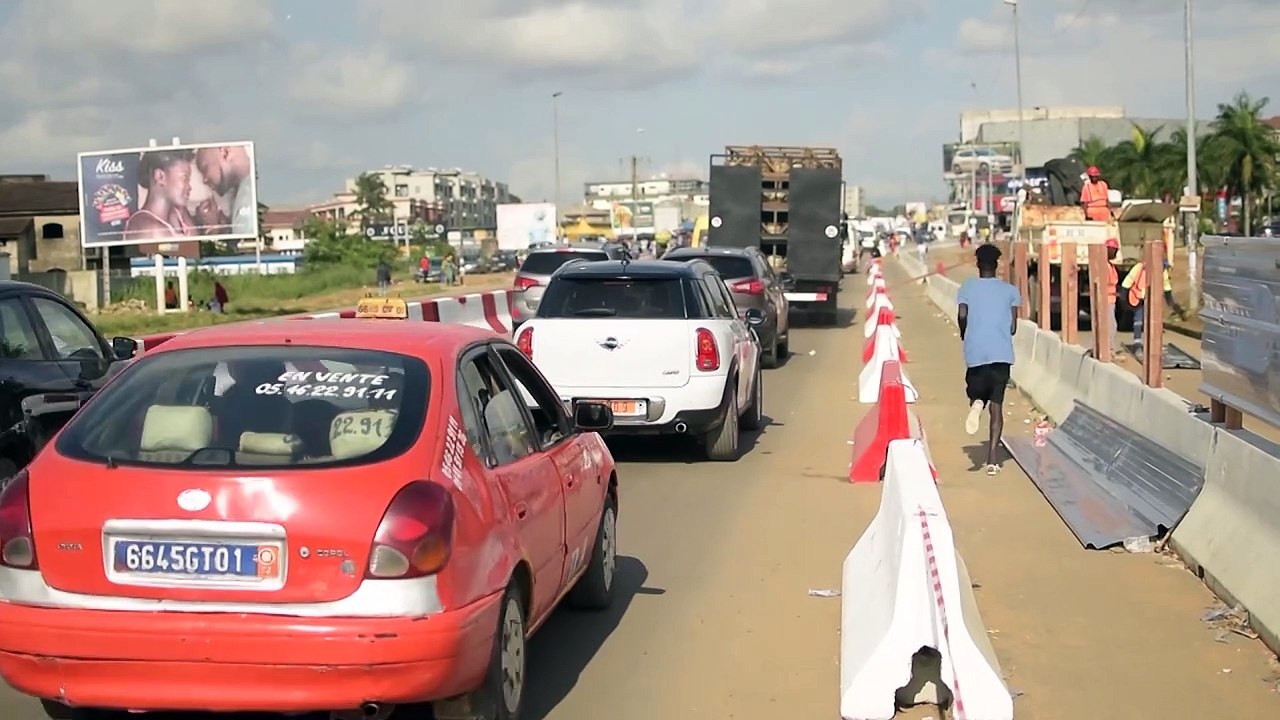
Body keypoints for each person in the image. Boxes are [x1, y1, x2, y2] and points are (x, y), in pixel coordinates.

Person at [956, 243, 1021, 475]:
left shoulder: (966, 288)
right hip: (1002, 353)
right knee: (998, 407)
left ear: (977, 264)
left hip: (976, 352)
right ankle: (993, 461)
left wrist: (966, 333)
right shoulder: (1011, 291)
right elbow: (1013, 327)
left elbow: (962, 315)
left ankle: (977, 402)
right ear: (997, 265)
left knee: (976, 391)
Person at [124, 150, 197, 242]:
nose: (189, 187)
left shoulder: (179, 213)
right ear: (160, 177)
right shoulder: (151, 229)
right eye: (184, 178)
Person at [194, 145, 256, 235]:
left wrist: (214, 230)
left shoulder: (250, 194)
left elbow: (245, 246)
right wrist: (221, 227)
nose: (204, 180)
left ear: (225, 152)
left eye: (205, 168)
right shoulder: (245, 191)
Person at [1121, 257, 1174, 355]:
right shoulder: (1140, 268)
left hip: (1153, 299)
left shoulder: (1163, 272)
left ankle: (1154, 345)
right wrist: (1123, 298)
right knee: (1138, 321)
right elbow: (1128, 281)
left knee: (1154, 322)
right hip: (1139, 299)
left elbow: (1166, 286)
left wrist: (1170, 301)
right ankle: (1137, 344)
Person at [1103, 239, 1121, 357]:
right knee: (1111, 325)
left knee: (1111, 325)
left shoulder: (1110, 266)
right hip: (1106, 300)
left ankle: (1108, 348)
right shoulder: (1105, 266)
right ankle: (1108, 349)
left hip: (1111, 300)